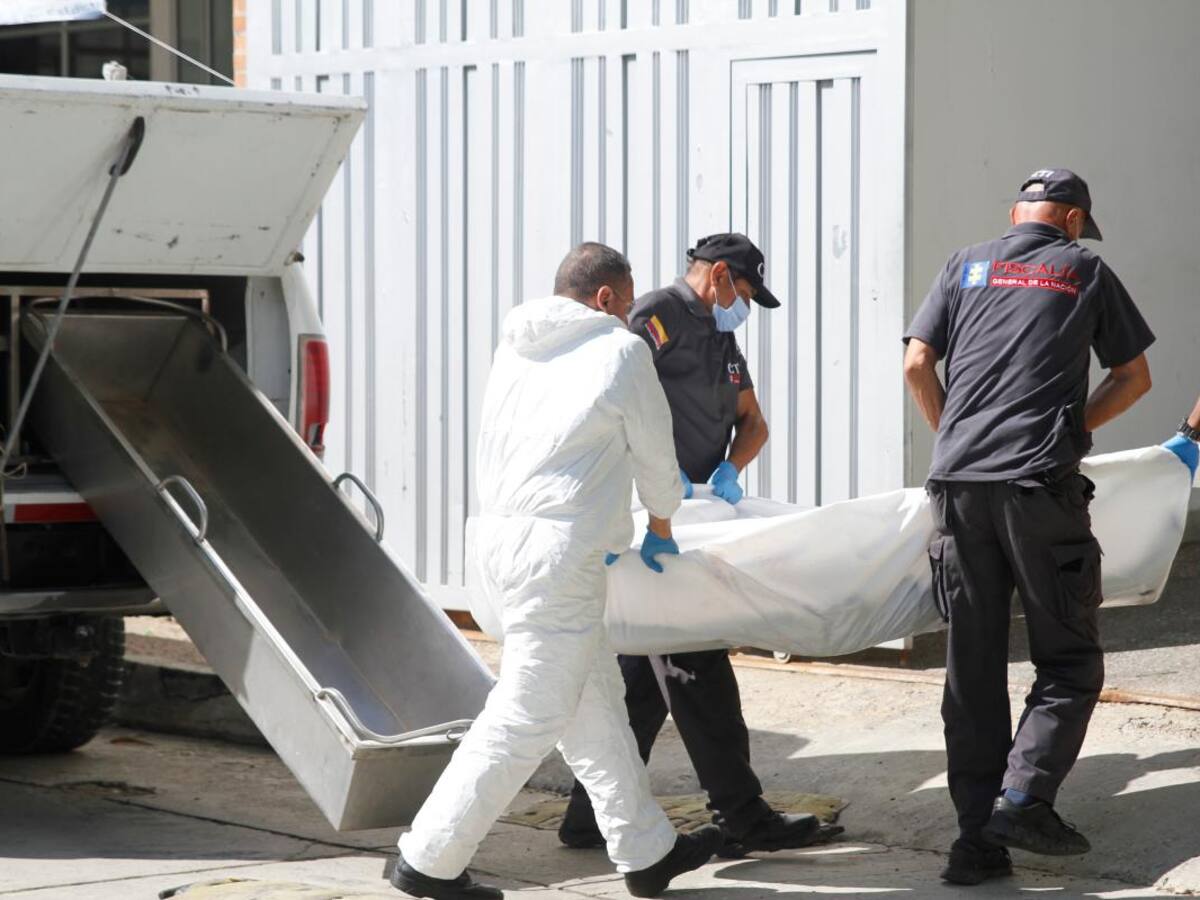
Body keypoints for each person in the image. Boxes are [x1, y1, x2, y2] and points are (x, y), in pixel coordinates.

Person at [392, 243, 723, 900]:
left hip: (499, 548)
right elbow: (657, 457)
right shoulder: (621, 352)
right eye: (627, 305)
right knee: (528, 714)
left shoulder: (514, 350)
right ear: (606, 298)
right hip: (560, 558)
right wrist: (662, 521)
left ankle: (646, 849)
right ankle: (428, 859)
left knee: (593, 704)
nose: (631, 318)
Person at [902, 169, 1154, 886]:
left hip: (957, 489)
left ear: (1016, 215)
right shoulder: (1083, 270)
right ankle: (1022, 799)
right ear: (1072, 220)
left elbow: (918, 361)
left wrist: (954, 434)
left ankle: (974, 844)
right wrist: (1069, 430)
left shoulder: (965, 263)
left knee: (972, 667)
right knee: (1069, 660)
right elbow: (1133, 377)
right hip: (1039, 486)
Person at [559, 233, 837, 857]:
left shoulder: (722, 338)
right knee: (695, 663)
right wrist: (653, 477)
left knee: (641, 674)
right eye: (742, 290)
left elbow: (754, 421)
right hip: (657, 520)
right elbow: (611, 395)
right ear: (716, 276)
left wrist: (728, 470)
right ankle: (742, 815)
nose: (743, 304)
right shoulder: (658, 314)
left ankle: (590, 813)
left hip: (695, 514)